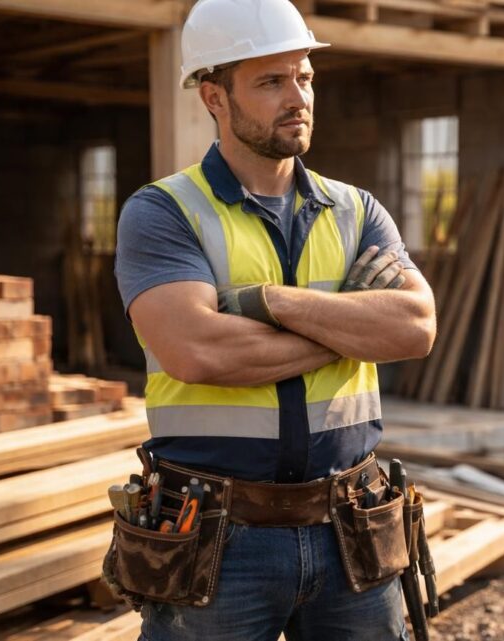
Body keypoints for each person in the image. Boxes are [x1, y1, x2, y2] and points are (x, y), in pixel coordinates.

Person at [112, 0, 435, 638]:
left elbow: (414, 328)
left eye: (305, 77)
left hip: (352, 530)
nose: (298, 97)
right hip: (214, 539)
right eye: (271, 81)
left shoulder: (356, 209)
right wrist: (347, 325)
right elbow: (200, 352)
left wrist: (274, 302)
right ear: (214, 96)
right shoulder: (163, 213)